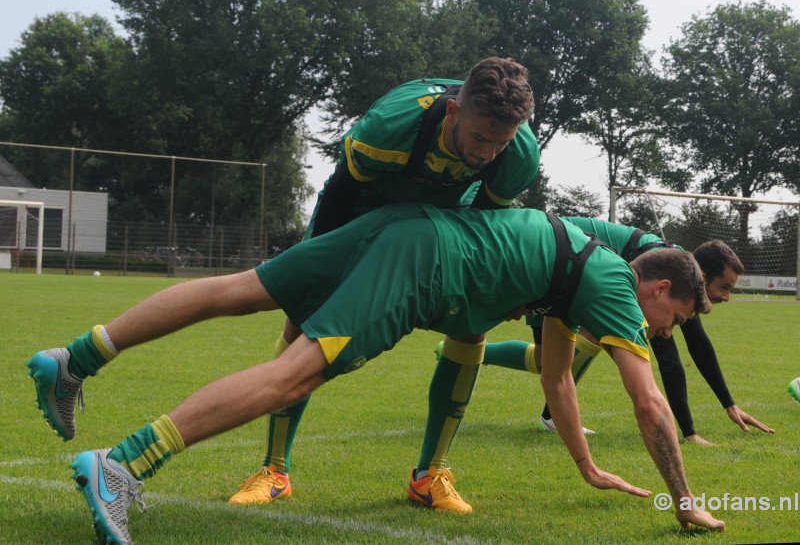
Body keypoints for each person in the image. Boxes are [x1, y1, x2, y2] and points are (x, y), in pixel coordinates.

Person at [27, 204, 724, 543]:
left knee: (241, 288)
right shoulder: (613, 287)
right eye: (674, 321)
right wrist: (684, 500)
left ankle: (73, 359)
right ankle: (119, 464)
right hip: (424, 267)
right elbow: (650, 404)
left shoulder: (584, 275)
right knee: (296, 374)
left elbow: (558, 380)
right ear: (659, 289)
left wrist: (586, 465)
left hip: (403, 227)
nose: (662, 335)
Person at [231, 56, 540, 506]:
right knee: (301, 321)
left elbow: (487, 225)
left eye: (500, 142)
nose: (488, 152)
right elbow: (342, 192)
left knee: (471, 324)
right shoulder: (391, 125)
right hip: (362, 207)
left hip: (446, 217)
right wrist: (317, 279)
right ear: (454, 111)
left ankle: (430, 475)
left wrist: (487, 287)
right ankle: (274, 471)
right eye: (479, 137)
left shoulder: (516, 155)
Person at [474, 218, 774, 443]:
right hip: (557, 266)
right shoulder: (673, 274)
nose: (726, 297)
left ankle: (479, 355)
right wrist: (689, 433)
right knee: (581, 344)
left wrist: (729, 405)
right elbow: (668, 358)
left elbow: (699, 345)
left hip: (571, 271)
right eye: (724, 287)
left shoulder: (683, 273)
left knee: (546, 360)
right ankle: (549, 416)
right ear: (704, 275)